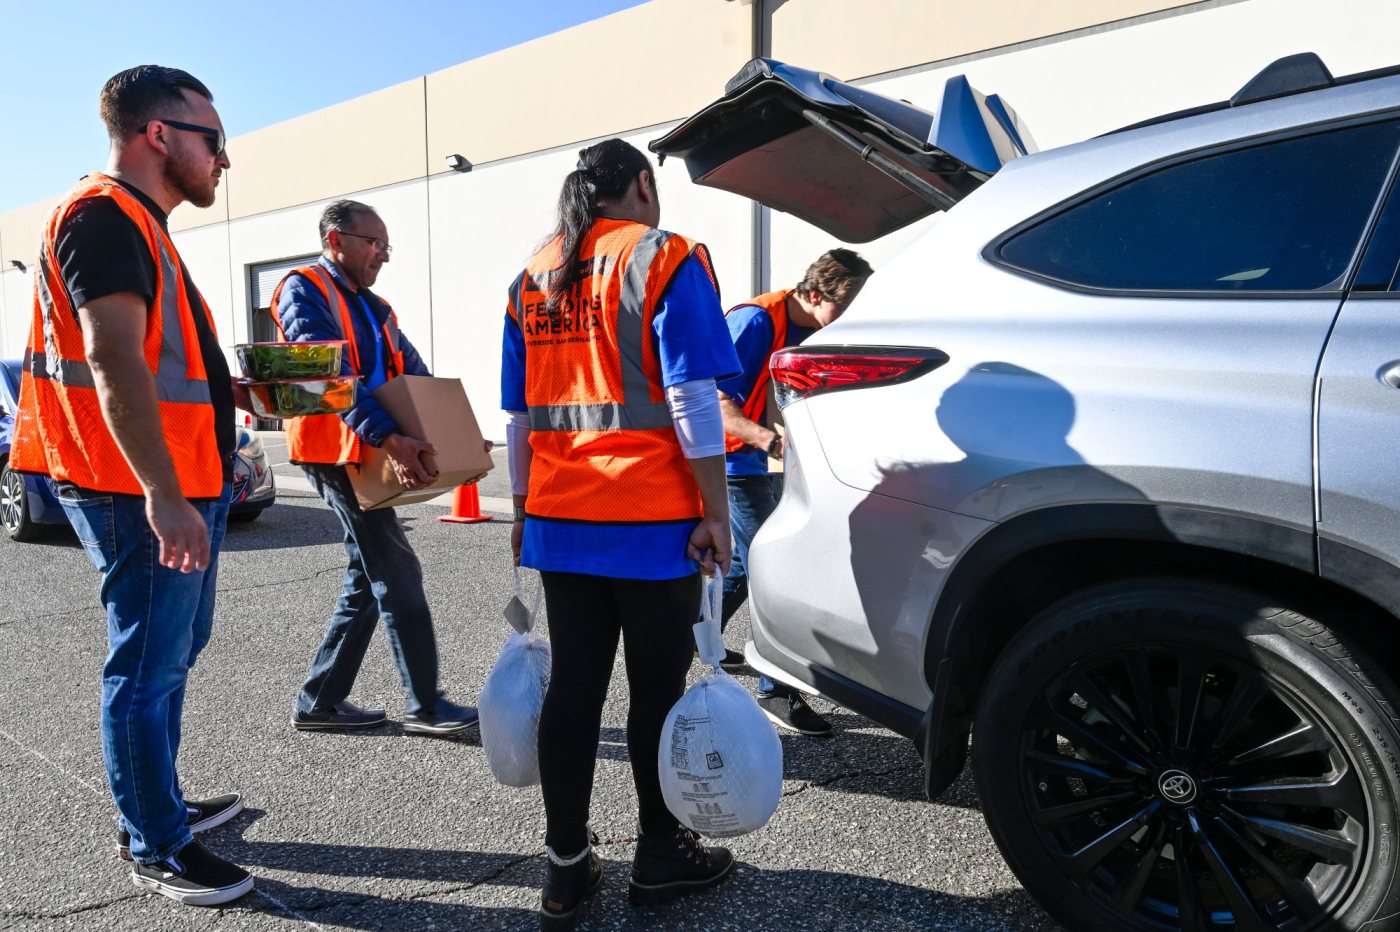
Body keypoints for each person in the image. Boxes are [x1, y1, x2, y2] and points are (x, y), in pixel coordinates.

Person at [10, 66, 253, 906]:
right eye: (213, 140)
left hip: (178, 478)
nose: (223, 160)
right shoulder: (104, 216)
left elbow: (159, 361)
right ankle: (155, 842)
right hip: (137, 488)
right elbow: (112, 354)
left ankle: (157, 801)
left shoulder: (140, 225)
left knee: (173, 651)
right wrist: (163, 493)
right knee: (146, 665)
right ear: (159, 135)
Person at [502, 138, 741, 930]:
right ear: (642, 183)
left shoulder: (532, 275)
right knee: (655, 691)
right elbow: (693, 397)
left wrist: (522, 505)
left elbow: (522, 415)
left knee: (575, 689)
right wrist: (715, 510)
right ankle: (660, 851)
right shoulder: (666, 257)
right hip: (651, 519)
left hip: (564, 517)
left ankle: (566, 869)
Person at [275, 200, 478, 737]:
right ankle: (426, 704)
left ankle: (320, 700)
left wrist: (453, 433)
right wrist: (389, 438)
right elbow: (325, 373)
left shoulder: (378, 307)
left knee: (369, 575)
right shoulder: (303, 289)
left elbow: (415, 374)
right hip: (333, 451)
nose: (383, 256)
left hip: (364, 451)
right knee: (395, 569)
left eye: (388, 247)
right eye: (374, 244)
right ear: (336, 239)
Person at [715, 250, 873, 737]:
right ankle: (775, 688)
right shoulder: (756, 322)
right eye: (844, 308)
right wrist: (771, 440)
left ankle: (689, 637)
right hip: (732, 460)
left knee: (748, 562)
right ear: (812, 295)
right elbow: (714, 401)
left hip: (763, 459)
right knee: (773, 564)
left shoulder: (812, 329)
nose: (850, 320)